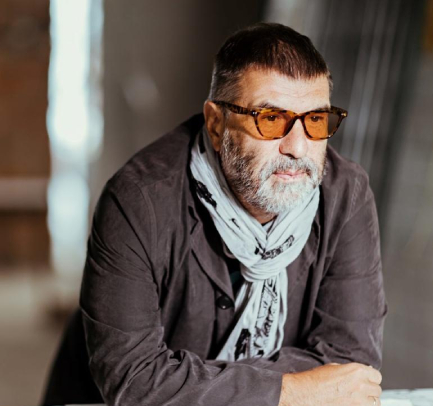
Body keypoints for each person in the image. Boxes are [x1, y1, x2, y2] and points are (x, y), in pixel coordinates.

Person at [42, 22, 386, 406]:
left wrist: (185, 383)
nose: (298, 147)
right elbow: (134, 380)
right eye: (271, 119)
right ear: (216, 123)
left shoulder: (346, 195)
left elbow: (351, 366)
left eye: (316, 120)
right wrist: (292, 390)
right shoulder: (138, 200)